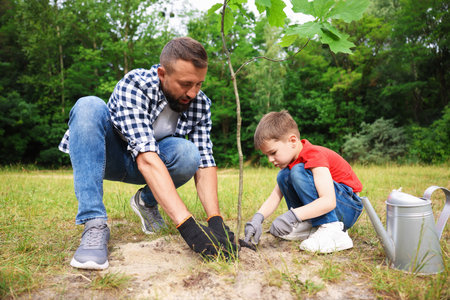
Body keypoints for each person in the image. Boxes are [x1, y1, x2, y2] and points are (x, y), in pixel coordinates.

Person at [59, 37, 236, 270]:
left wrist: (216, 222)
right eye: (185, 84)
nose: (192, 92)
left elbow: (205, 162)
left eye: (199, 84)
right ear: (162, 74)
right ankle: (94, 224)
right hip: (109, 156)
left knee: (189, 154)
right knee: (88, 105)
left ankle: (146, 202)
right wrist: (189, 229)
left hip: (152, 164)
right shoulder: (136, 84)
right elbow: (146, 156)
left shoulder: (200, 104)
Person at [244, 111, 363, 253]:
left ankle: (332, 229)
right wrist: (257, 219)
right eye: (267, 155)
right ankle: (311, 225)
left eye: (273, 153)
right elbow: (275, 196)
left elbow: (329, 201)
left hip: (347, 207)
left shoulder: (313, 156)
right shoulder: (291, 164)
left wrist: (292, 216)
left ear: (293, 141)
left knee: (297, 171)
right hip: (335, 206)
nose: (270, 160)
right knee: (283, 176)